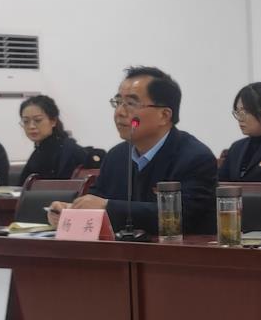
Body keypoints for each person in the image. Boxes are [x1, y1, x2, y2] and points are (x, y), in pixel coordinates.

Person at [50, 67, 218, 234]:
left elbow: (183, 216)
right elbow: (96, 199)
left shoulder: (195, 158)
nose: (119, 112)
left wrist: (108, 207)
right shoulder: (116, 156)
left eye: (131, 104)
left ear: (164, 115)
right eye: (118, 102)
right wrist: (70, 210)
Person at [16, 94, 100, 181]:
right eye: (26, 121)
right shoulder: (38, 152)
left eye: (38, 120)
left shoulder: (68, 151)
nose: (31, 126)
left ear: (53, 121)